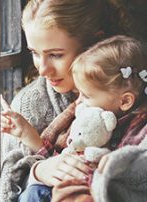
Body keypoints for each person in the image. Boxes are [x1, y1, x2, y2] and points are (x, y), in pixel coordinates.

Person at [0, 0, 136, 201]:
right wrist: (39, 172)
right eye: (35, 53)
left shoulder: (133, 94)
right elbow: (4, 187)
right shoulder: (27, 105)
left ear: (93, 45)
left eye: (55, 55)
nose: (42, 69)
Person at [17, 35, 147, 201]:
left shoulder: (139, 134)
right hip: (67, 185)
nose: (78, 102)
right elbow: (62, 157)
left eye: (85, 95)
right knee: (32, 193)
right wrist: (29, 142)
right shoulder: (85, 120)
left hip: (96, 192)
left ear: (125, 101)